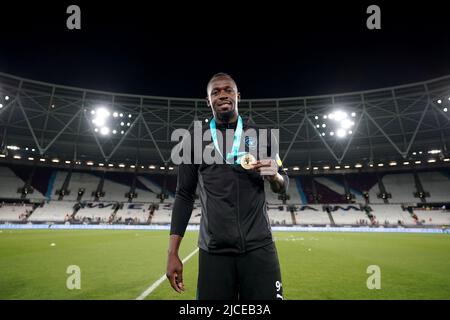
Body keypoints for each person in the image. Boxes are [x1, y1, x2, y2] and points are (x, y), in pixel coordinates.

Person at [166, 72, 288, 300]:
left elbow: (283, 184)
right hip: (214, 252)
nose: (222, 95)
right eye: (216, 91)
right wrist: (172, 252)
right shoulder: (193, 139)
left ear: (238, 96)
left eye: (228, 90)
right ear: (208, 100)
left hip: (259, 248)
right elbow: (184, 194)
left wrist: (275, 177)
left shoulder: (262, 135)